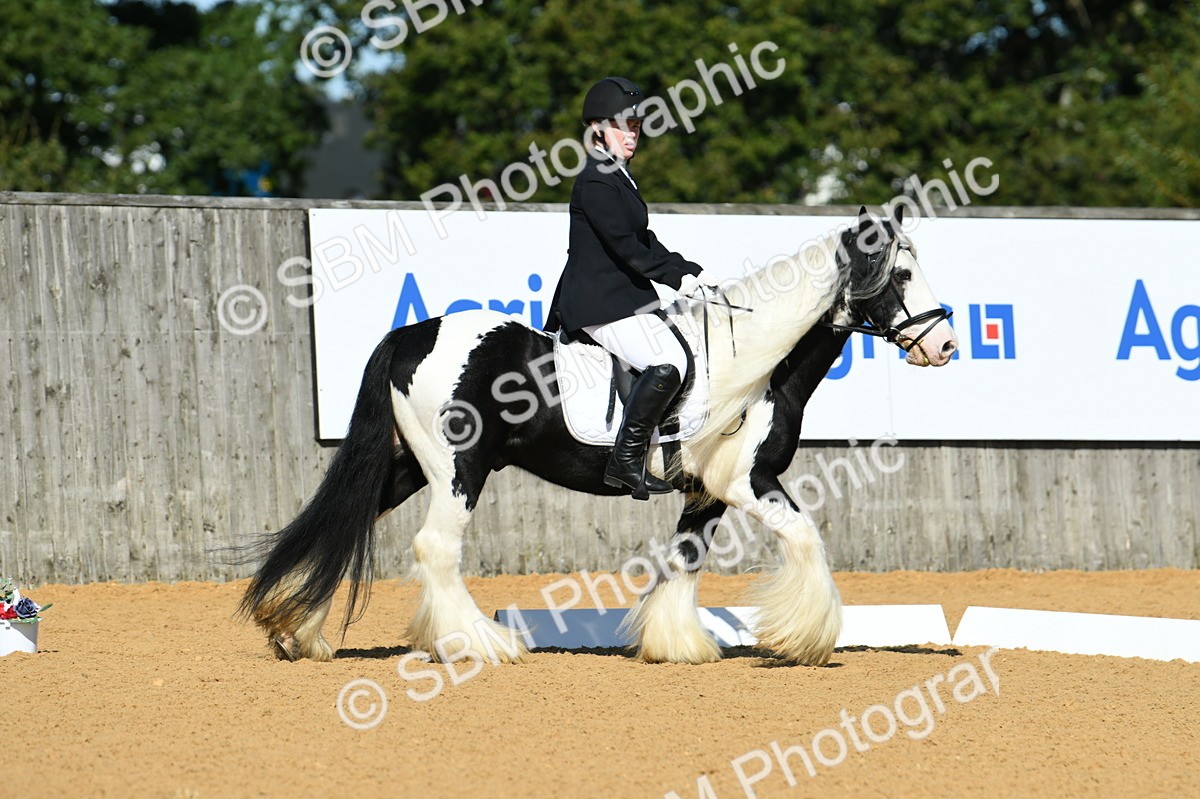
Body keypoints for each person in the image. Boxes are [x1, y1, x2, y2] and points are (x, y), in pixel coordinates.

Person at [544, 76, 718, 500]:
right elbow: (628, 249)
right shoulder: (598, 179)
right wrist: (677, 279)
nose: (633, 134)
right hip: (600, 304)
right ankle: (626, 459)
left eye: (636, 126)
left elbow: (645, 239)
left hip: (623, 300)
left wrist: (690, 270)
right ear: (598, 129)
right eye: (625, 126)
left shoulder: (617, 175)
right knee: (669, 361)